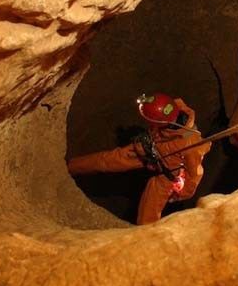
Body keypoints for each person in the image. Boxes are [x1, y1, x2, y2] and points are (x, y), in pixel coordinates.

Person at [67, 93, 211, 225]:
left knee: (148, 215)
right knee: (108, 160)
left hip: (167, 173)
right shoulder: (167, 108)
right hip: (148, 150)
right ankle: (69, 167)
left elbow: (195, 174)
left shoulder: (191, 143)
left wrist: (181, 195)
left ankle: (144, 241)